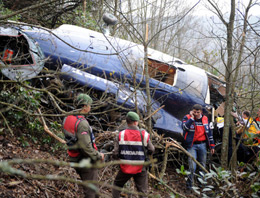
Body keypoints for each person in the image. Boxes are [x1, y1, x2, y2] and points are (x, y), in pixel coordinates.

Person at [62, 93, 104, 198]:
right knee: (90, 191)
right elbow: (85, 147)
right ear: (84, 107)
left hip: (73, 157)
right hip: (85, 160)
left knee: (94, 189)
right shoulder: (82, 123)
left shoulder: (67, 117)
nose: (90, 108)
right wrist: (98, 155)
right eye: (89, 105)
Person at [112, 111, 155, 198]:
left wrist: (119, 160)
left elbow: (115, 152)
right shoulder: (144, 134)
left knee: (117, 185)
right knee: (142, 192)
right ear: (136, 122)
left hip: (125, 166)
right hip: (140, 167)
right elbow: (151, 149)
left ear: (127, 122)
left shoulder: (121, 134)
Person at [182, 104, 215, 190]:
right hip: (192, 145)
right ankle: (189, 187)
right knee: (192, 166)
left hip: (202, 144)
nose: (196, 113)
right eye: (194, 112)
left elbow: (209, 133)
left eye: (198, 112)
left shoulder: (205, 119)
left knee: (202, 166)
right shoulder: (187, 117)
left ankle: (202, 186)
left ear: (201, 112)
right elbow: (185, 128)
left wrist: (212, 146)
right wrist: (192, 118)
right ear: (192, 111)